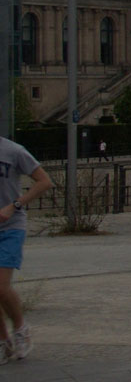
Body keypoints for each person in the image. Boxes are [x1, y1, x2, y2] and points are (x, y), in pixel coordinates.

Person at [0, 134, 53, 362]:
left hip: (10, 227)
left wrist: (15, 205)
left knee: (1, 288)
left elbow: (44, 181)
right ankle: (4, 342)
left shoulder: (14, 151)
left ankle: (21, 329)